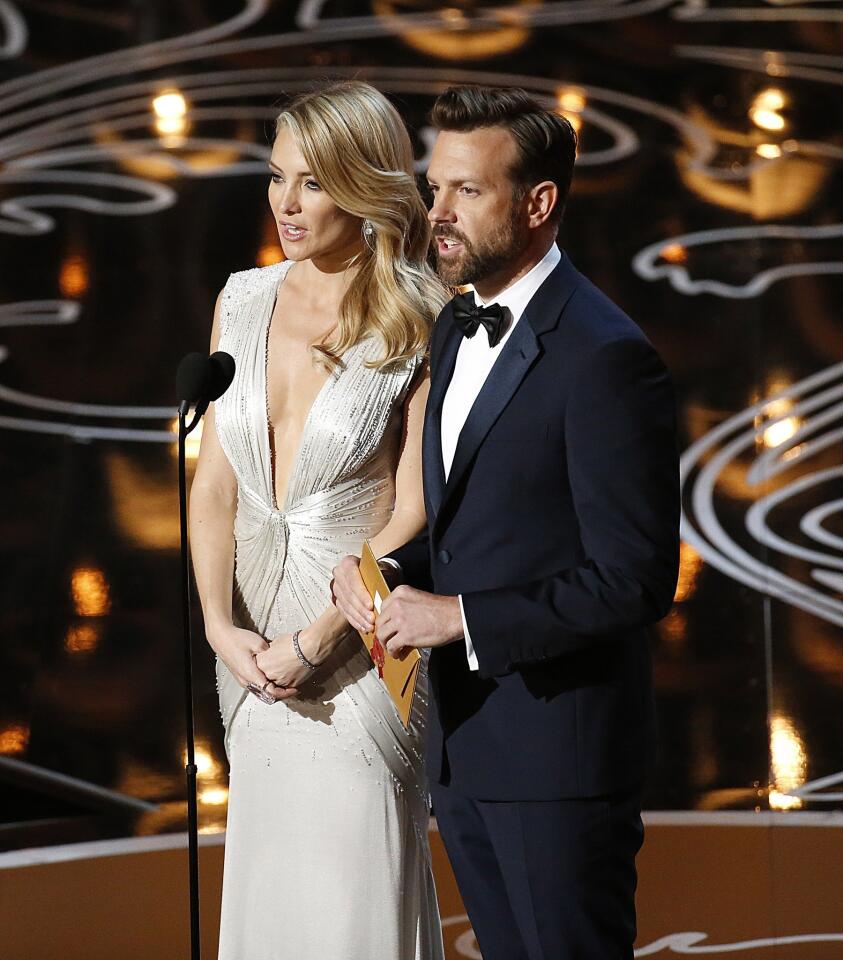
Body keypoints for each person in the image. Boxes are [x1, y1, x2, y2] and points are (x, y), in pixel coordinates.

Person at [332, 86, 680, 960]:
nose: (435, 214)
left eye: (466, 193)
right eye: (434, 186)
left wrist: (457, 617)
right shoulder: (455, 323)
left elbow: (633, 579)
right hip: (467, 746)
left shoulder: (604, 358)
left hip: (558, 763)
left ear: (538, 203)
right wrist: (379, 570)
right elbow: (462, 522)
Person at [189, 81, 448, 960]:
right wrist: (222, 629)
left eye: (312, 183)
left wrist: (317, 640)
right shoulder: (241, 298)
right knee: (273, 898)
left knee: (351, 903)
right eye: (275, 178)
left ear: (365, 186)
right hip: (252, 654)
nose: (285, 205)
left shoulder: (423, 314)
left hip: (359, 657)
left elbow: (411, 512)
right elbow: (216, 482)